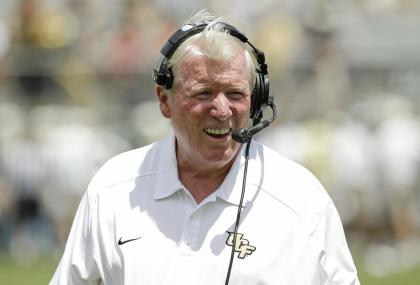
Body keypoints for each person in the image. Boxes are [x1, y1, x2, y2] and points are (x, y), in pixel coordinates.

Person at [50, 10, 360, 285]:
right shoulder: (113, 187)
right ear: (164, 100)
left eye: (235, 94)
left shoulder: (302, 198)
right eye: (204, 93)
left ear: (256, 101)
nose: (222, 110)